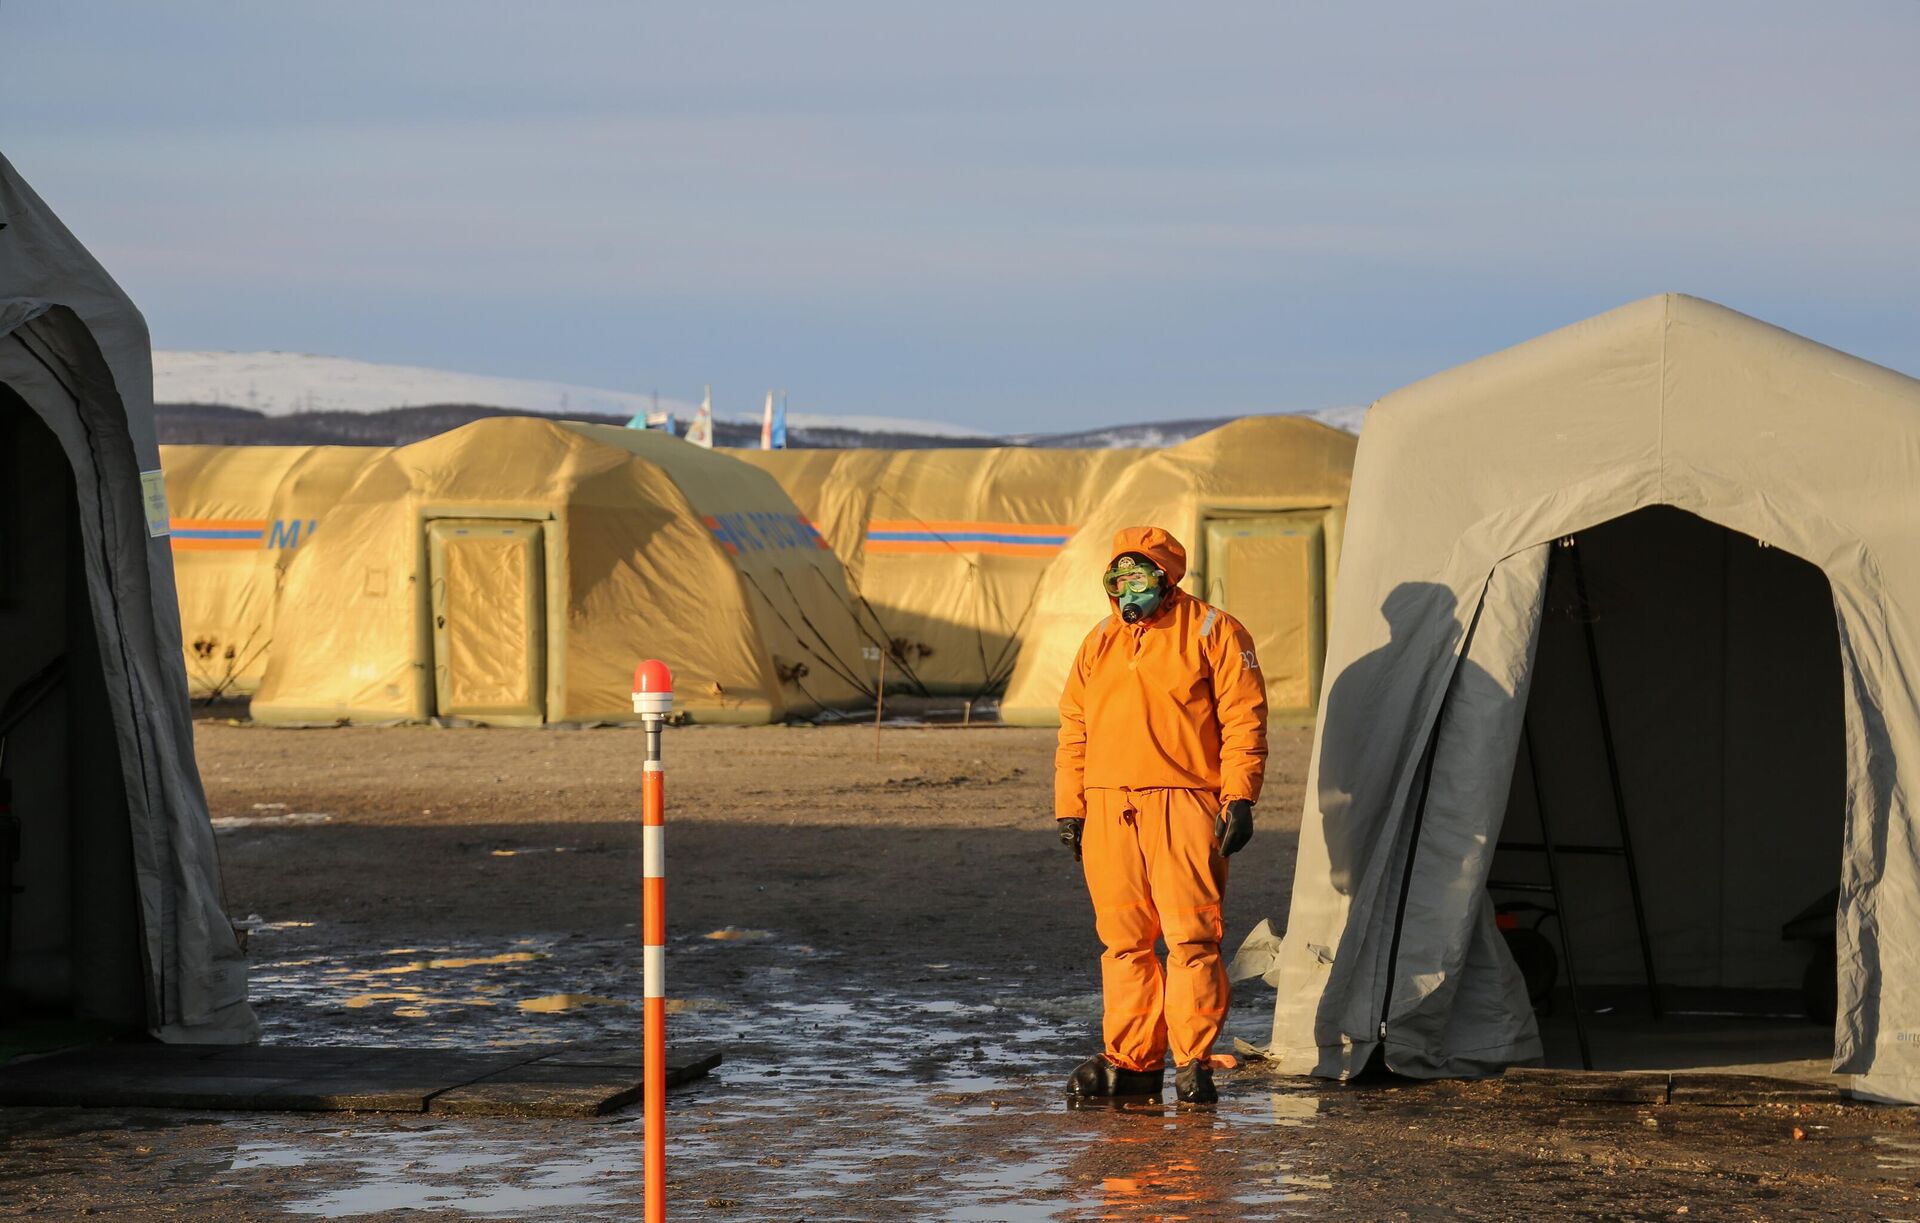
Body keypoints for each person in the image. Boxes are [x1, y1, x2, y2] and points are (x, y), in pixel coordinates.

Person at [1056, 526, 1268, 1105]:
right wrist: (1070, 807)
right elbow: (1074, 729)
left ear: (1166, 576)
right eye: (1117, 578)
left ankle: (1192, 1061)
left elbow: (1243, 719)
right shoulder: (1099, 641)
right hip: (1108, 806)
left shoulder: (1213, 630)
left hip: (1186, 802)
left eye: (1140, 575)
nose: (1129, 589)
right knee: (1123, 941)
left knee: (1190, 937)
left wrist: (1240, 797)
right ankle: (1132, 1063)